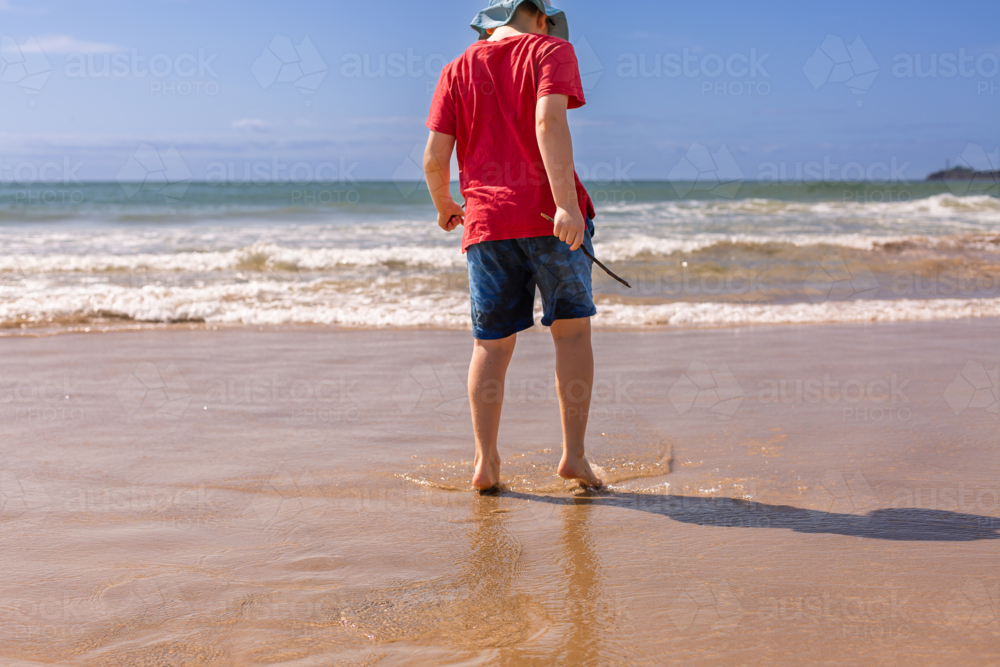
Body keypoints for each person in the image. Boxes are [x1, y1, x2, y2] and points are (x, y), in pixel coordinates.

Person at [423, 0, 602, 491]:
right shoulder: (552, 50)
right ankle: (574, 457)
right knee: (570, 335)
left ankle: (485, 463)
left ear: (489, 25)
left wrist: (444, 205)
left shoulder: (457, 68)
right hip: (550, 218)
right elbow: (548, 123)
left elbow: (435, 156)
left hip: (485, 224)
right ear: (540, 16)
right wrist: (566, 204)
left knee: (491, 345)